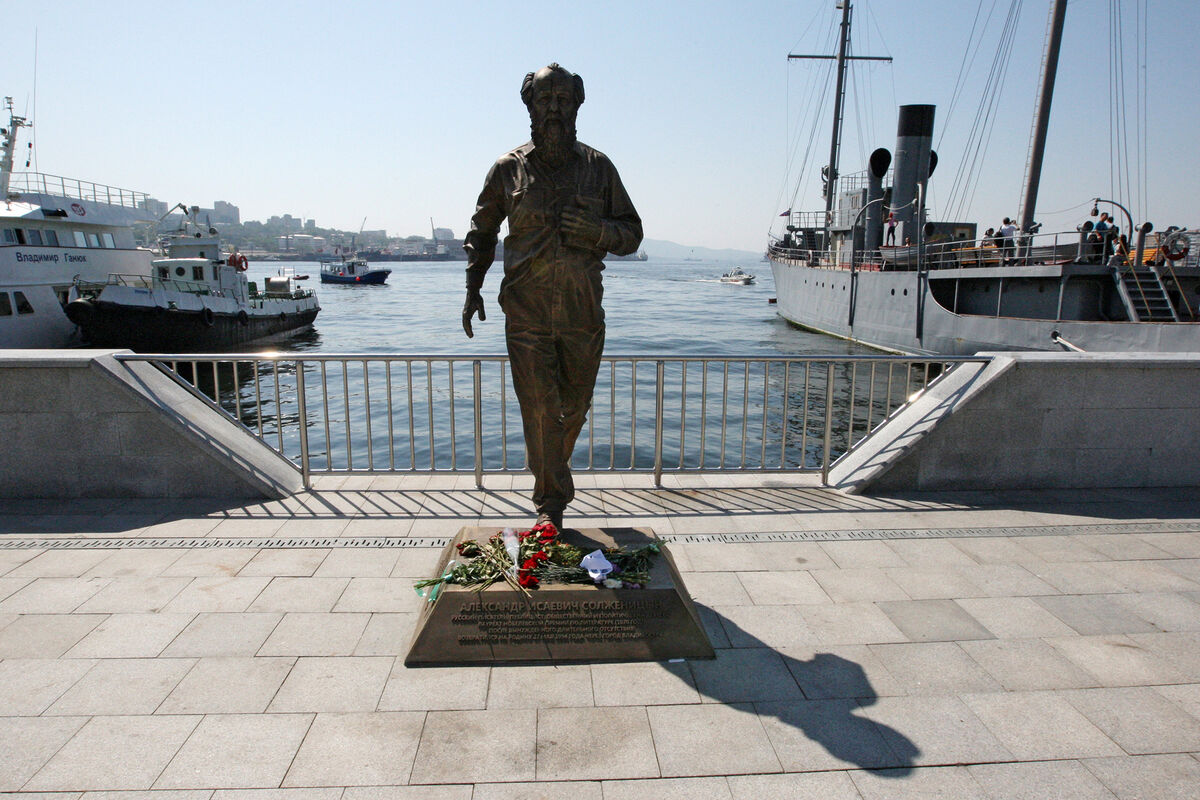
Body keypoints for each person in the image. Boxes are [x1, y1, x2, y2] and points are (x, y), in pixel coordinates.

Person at [462, 64, 643, 532]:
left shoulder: (599, 169)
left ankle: (550, 477)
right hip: (527, 314)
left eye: (563, 99)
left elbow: (633, 233)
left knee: (574, 408)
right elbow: (482, 232)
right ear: (530, 106)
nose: (555, 109)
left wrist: (597, 230)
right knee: (541, 409)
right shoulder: (508, 169)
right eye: (545, 100)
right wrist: (472, 287)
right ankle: (551, 503)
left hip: (583, 313)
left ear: (578, 104)